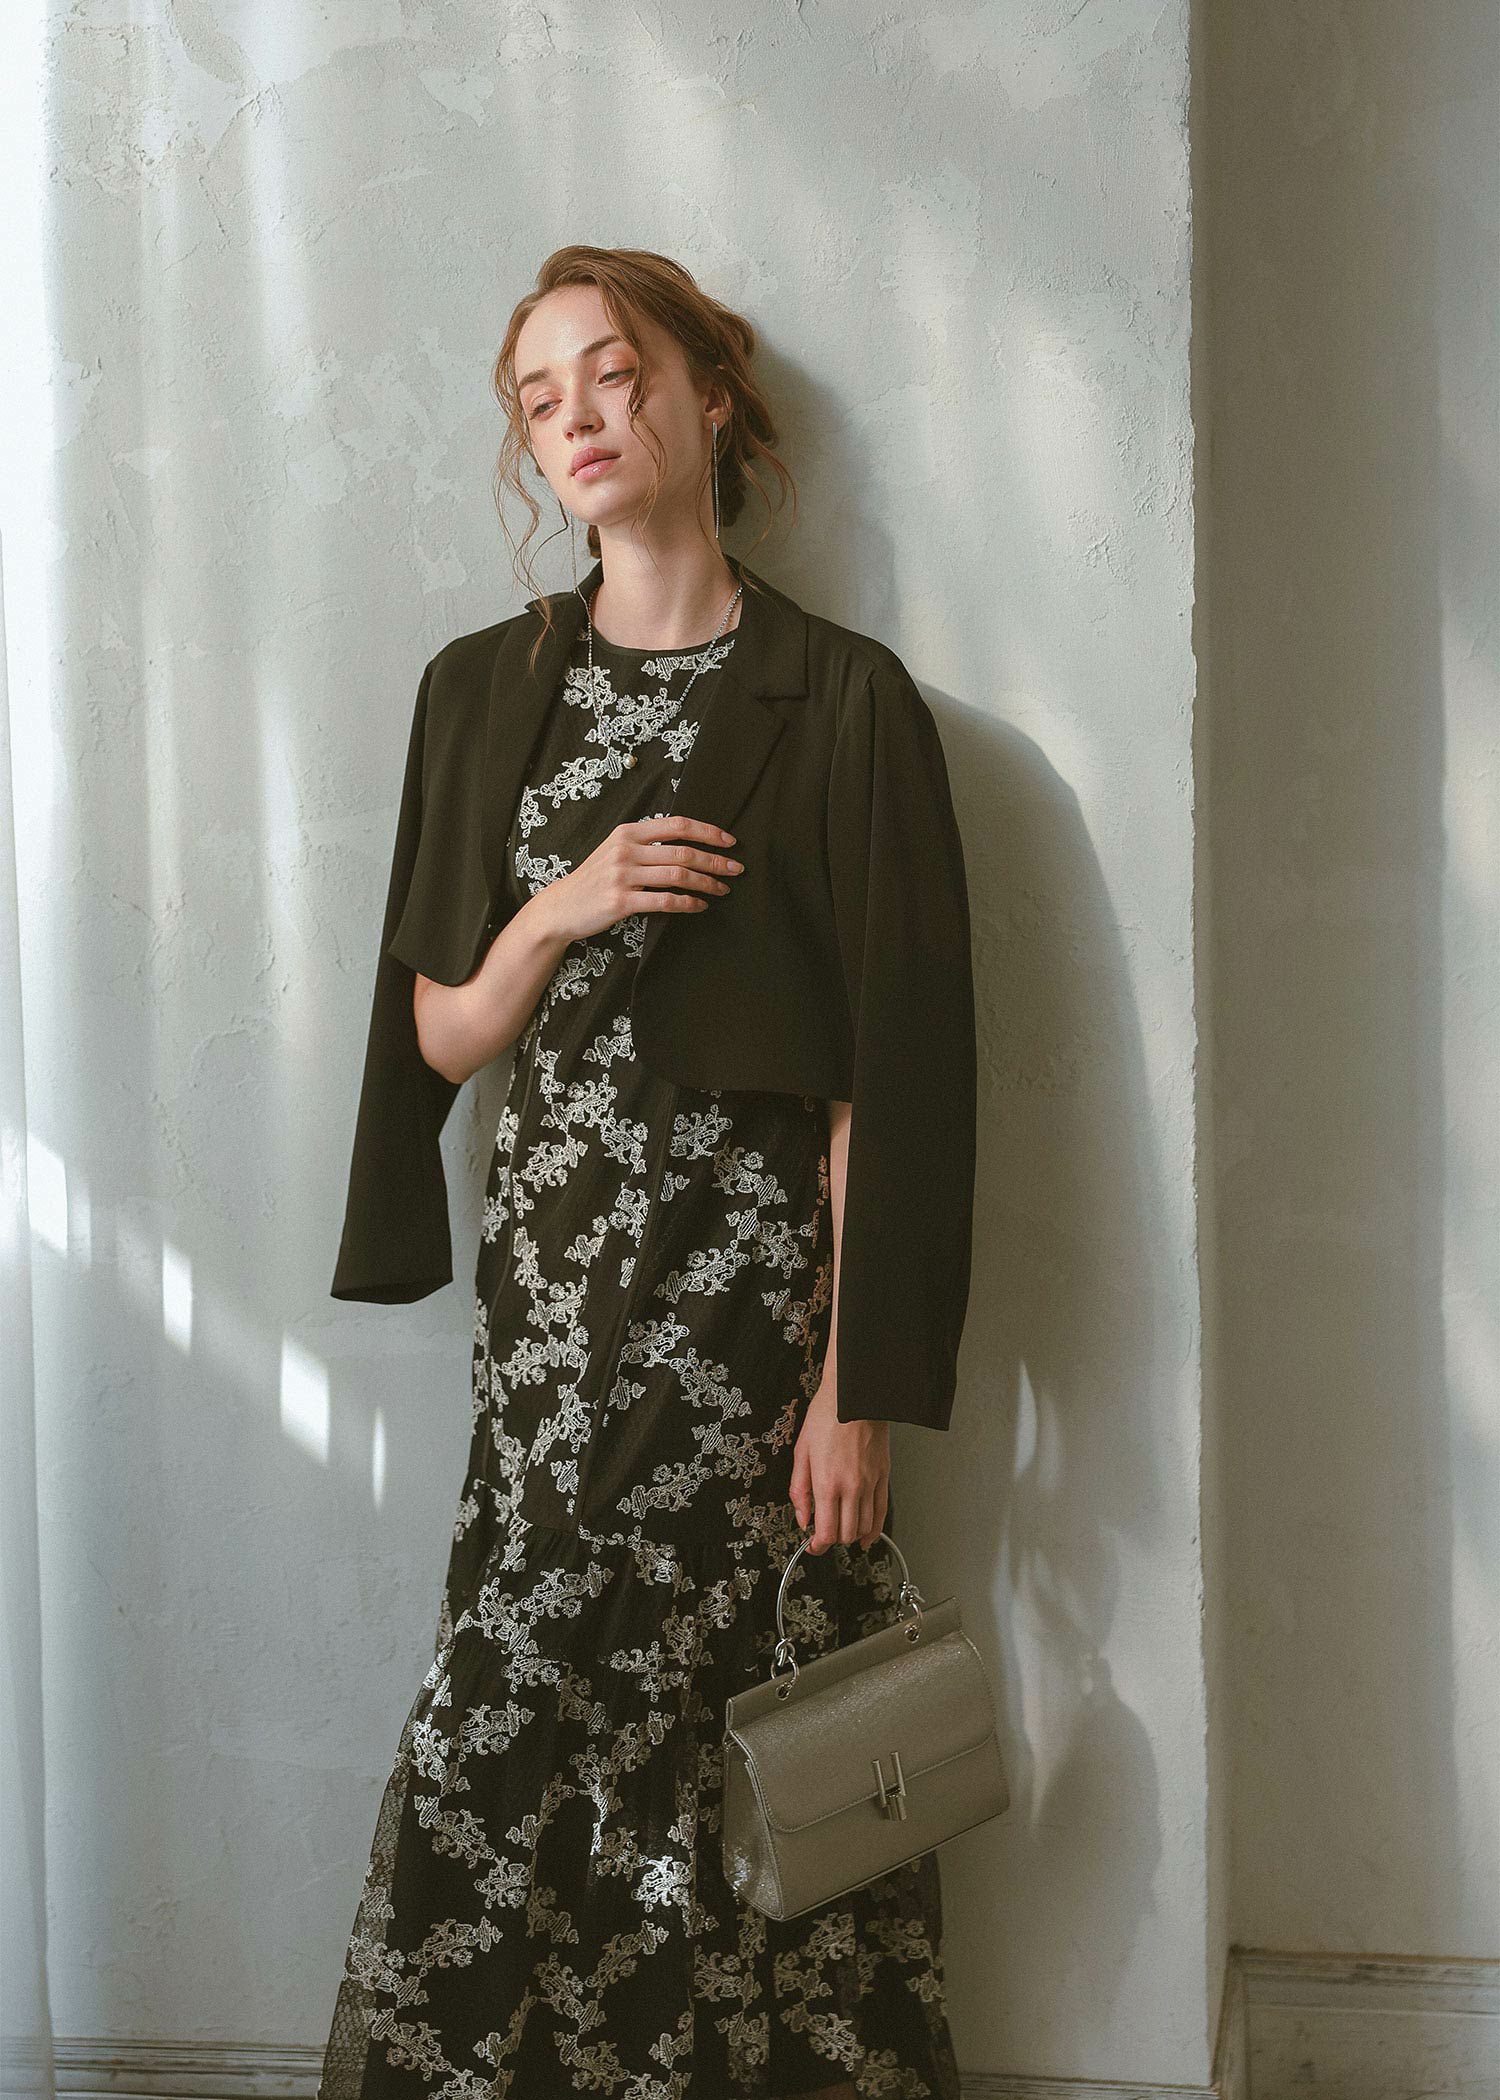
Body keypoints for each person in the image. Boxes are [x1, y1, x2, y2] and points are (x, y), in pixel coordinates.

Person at [318, 245, 976, 2100]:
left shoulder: (843, 700)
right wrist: (563, 905)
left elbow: (886, 1085)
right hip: (550, 1316)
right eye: (542, 401)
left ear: (706, 397)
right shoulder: (484, 689)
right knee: (511, 1713)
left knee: (744, 1736)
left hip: (745, 1324)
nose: (581, 420)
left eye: (615, 375)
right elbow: (439, 1032)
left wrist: (855, 1388)